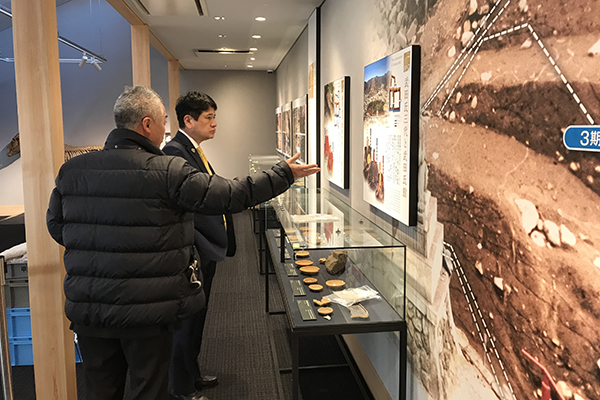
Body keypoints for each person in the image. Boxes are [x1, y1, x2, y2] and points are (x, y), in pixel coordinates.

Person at [46, 86, 319, 400]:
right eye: (163, 121)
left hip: (91, 310)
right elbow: (229, 195)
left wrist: (99, 246)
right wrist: (282, 174)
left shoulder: (73, 172)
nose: (166, 129)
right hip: (148, 310)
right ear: (147, 125)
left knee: (99, 389)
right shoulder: (166, 171)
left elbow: (57, 227)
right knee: (149, 389)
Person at [162, 92, 229, 399]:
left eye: (214, 117)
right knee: (186, 324)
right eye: (208, 118)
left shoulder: (193, 150)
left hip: (204, 250)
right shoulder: (176, 153)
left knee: (198, 319)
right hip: (194, 251)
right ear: (188, 120)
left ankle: (193, 374)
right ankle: (182, 389)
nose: (215, 123)